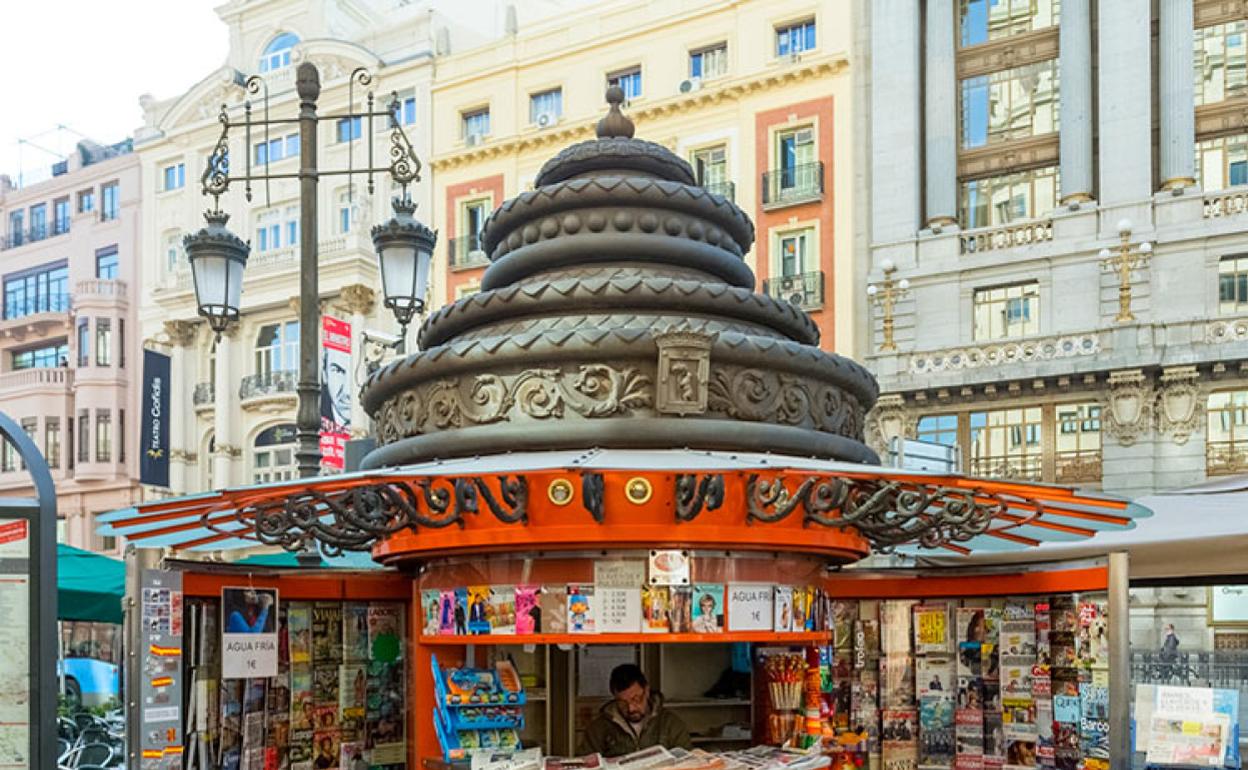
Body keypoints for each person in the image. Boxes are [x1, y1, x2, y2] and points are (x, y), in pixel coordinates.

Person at [581, 664, 692, 757]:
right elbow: (583, 764)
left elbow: (690, 763)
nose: (631, 708)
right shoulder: (598, 729)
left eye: (636, 699)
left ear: (647, 691)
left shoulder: (671, 724)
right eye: (623, 702)